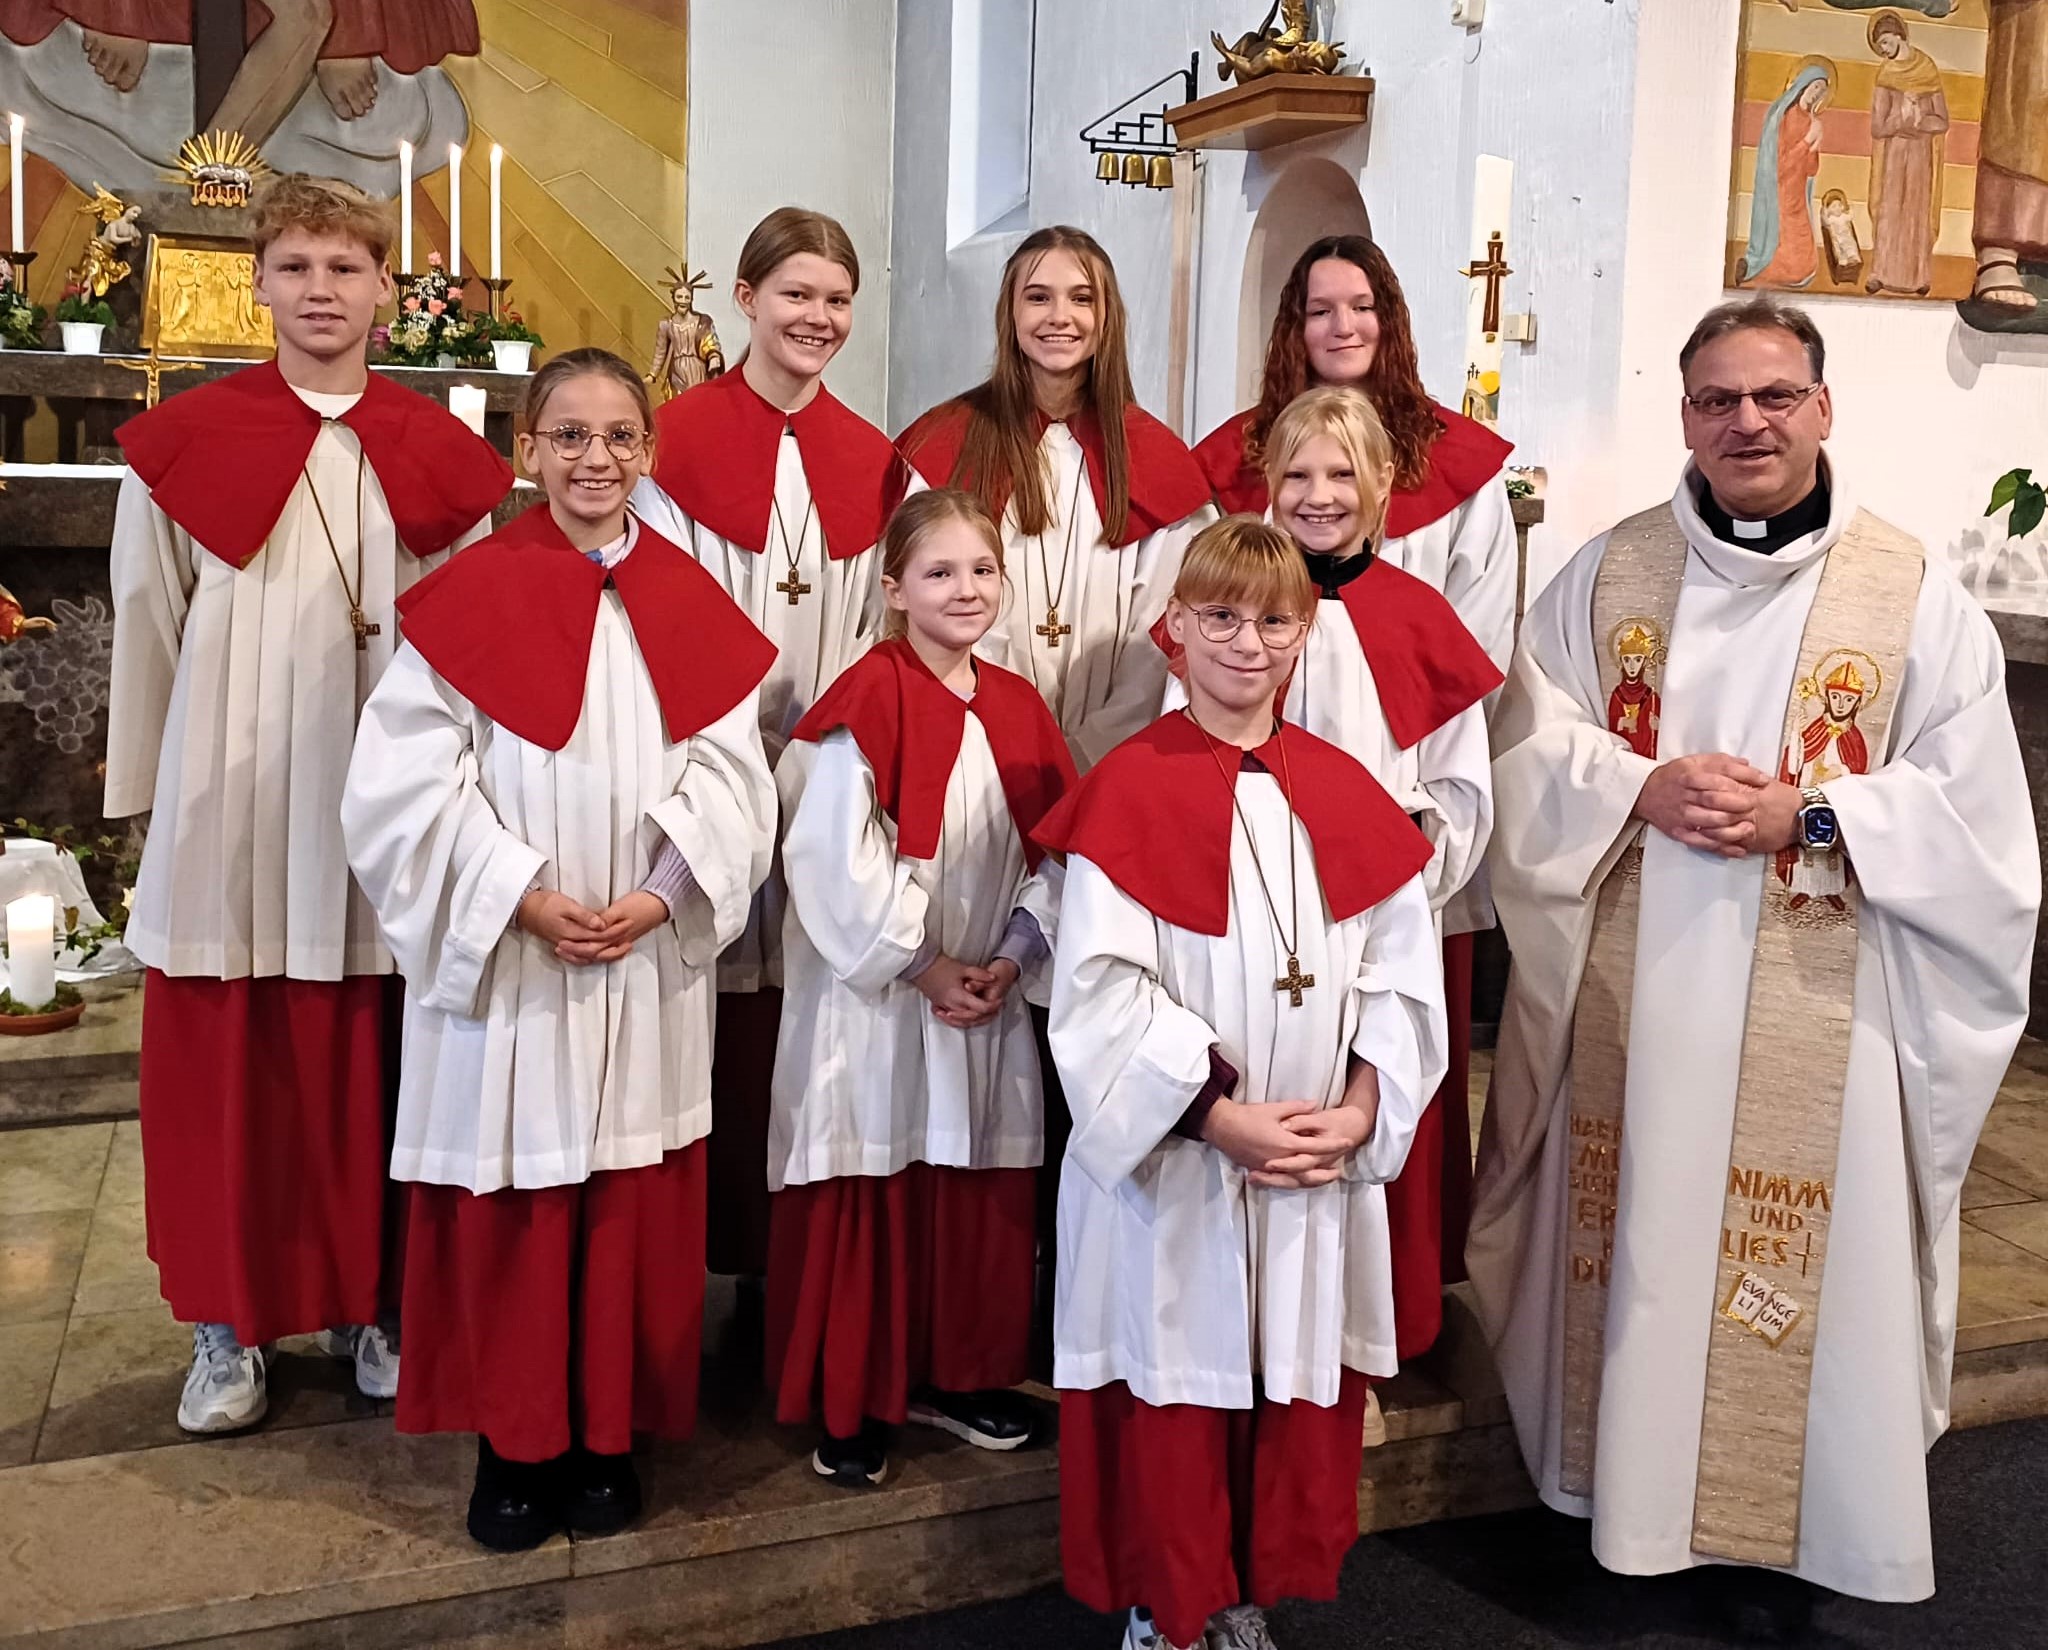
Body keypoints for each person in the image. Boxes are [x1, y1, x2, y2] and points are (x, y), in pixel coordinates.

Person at [1467, 297, 2037, 1639]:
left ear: (1824, 408)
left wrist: (1816, 814)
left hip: (1821, 1000)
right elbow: (1524, 751)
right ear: (1685, 418)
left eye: (1775, 395)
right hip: (1640, 995)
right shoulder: (1609, 577)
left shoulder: (1912, 599)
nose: (1749, 422)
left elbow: (1979, 817)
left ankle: (1814, 1520)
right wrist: (1640, 783)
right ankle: (1634, 1509)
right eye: (1720, 399)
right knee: (1645, 1229)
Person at [340, 349, 778, 1551]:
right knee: (520, 1204)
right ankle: (513, 1446)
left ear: (650, 453)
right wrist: (519, 895)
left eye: (621, 437)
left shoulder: (691, 596)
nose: (597, 460)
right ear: (526, 451)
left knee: (622, 1207)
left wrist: (660, 891)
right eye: (570, 437)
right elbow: (402, 789)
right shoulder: (467, 595)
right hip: (513, 965)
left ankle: (605, 1434)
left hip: (639, 954)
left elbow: (736, 780)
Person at [103, 174, 510, 1437]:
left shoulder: (439, 454)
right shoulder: (183, 444)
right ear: (260, 282)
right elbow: (145, 628)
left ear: (389, 289)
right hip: (230, 797)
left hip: (381, 807)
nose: (321, 292)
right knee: (232, 1064)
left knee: (375, 1056)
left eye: (346, 269)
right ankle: (224, 1329)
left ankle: (372, 1303)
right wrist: (154, 802)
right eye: (296, 268)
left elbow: (475, 648)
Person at [1036, 517, 1448, 1650]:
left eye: (1272, 620)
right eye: (1218, 616)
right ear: (1173, 630)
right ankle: (1163, 1604)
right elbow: (1097, 999)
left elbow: (1403, 982)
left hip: (1310, 1161)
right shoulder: (1127, 788)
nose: (1246, 643)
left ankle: (1240, 1596)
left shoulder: (1345, 790)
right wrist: (1214, 1118)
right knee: (1176, 1377)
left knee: (1273, 1385)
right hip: (1177, 1171)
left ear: (1303, 632)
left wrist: (1363, 1109)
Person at [1192, 236, 1518, 1358]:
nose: (1319, 497)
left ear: (1380, 487)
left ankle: (1364, 1325)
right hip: (1246, 919)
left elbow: (1456, 781)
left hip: (1376, 918)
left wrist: (1401, 875)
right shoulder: (1238, 617)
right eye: (1297, 481)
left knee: (1364, 1106)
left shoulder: (1415, 619)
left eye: (1341, 479)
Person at [766, 488, 1075, 1489]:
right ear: (892, 589)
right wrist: (923, 962)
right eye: (938, 573)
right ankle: (853, 1396)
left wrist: (1017, 951)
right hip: (878, 1007)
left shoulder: (1021, 708)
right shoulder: (863, 701)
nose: (965, 589)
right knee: (876, 1178)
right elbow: (827, 861)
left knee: (975, 1184)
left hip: (986, 998)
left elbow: (1062, 852)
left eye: (982, 570)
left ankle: (964, 1374)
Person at [634, 207, 906, 1302]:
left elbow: (889, 620)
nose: (817, 317)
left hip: (826, 772)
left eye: (836, 300)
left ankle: (779, 1265)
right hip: (701, 766)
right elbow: (651, 611)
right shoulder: (672, 443)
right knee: (702, 1000)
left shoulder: (874, 460)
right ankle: (687, 1259)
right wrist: (726, 759)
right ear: (743, 300)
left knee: (805, 1007)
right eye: (795, 294)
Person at [897, 225, 1214, 774]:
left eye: (1082, 298)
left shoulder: (1156, 458)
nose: (1059, 316)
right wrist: (1002, 730)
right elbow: (929, 604)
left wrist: (1089, 752)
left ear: (1106, 316)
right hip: (970, 756)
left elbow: (1164, 632)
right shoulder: (947, 441)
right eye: (1038, 297)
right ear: (1010, 314)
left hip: (1113, 762)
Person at [1866, 11, 1949, 298]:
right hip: (1895, 150)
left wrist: (1920, 120)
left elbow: (1942, 120)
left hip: (1920, 152)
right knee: (1890, 208)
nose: (1884, 51)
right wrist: (1902, 118)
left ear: (1899, 36)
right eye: (1880, 47)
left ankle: (1919, 276)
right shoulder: (1885, 74)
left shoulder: (1927, 69)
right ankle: (1880, 273)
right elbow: (1877, 126)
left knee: (1916, 210)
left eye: (1886, 43)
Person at [1741, 64, 1833, 289]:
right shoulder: (1784, 117)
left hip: (1798, 190)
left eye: (1821, 92)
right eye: (1815, 87)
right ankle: (1767, 269)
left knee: (1805, 257)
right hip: (1780, 189)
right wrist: (1806, 142)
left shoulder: (1811, 121)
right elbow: (1780, 164)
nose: (1817, 94)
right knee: (1784, 238)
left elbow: (1811, 169)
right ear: (1803, 86)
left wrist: (1815, 146)